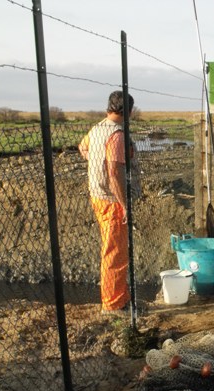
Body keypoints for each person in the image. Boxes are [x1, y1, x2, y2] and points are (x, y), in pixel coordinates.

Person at [78, 91, 140, 316]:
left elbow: (83, 147)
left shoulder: (98, 128)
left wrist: (95, 163)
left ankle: (121, 298)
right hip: (112, 201)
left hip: (98, 195)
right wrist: (124, 205)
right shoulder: (116, 134)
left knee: (115, 250)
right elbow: (114, 172)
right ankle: (112, 305)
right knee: (115, 254)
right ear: (129, 111)